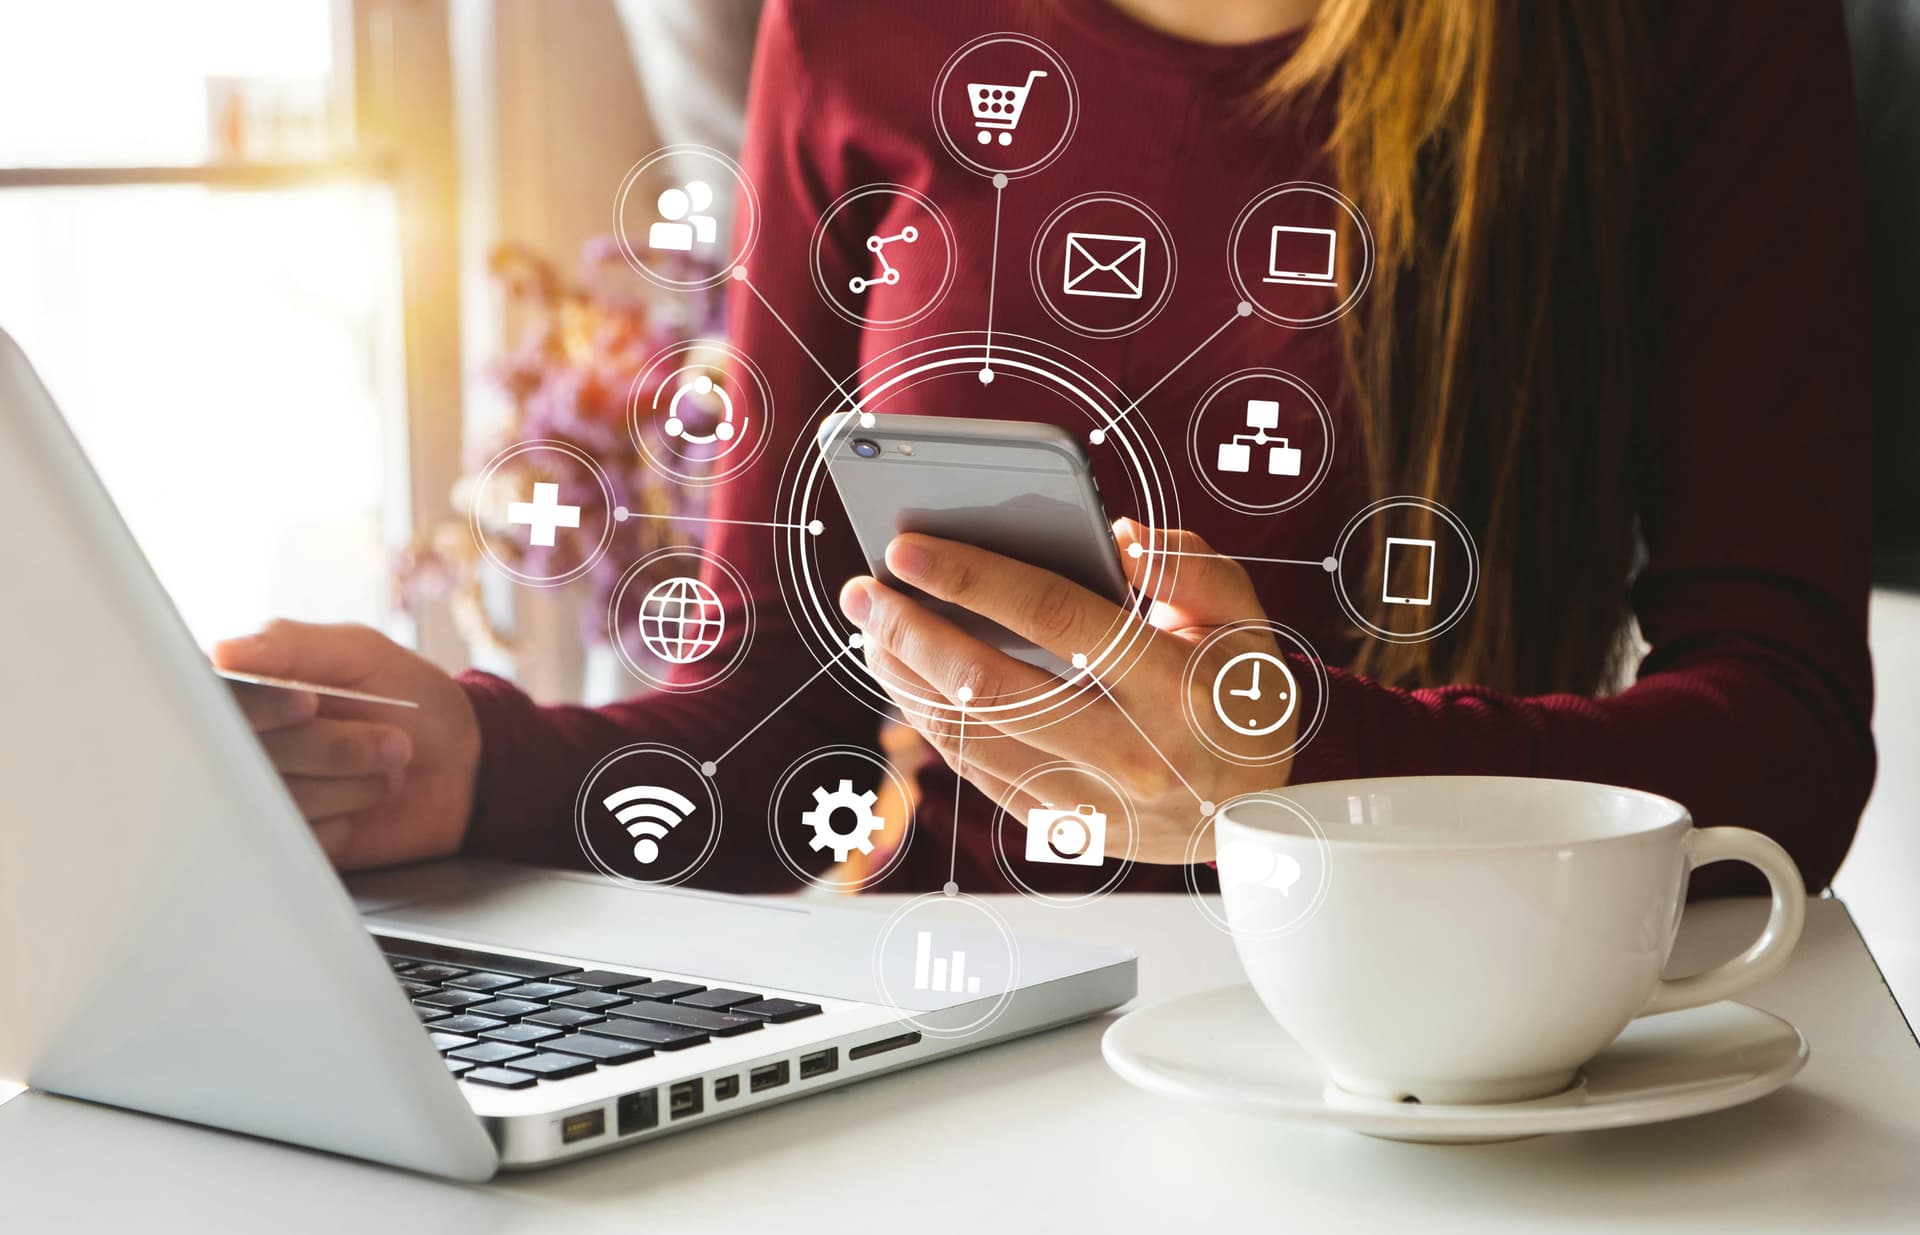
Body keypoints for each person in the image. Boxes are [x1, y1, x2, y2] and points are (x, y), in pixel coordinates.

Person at [215, 0, 1876, 899]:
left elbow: (1787, 741)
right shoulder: (854, 30)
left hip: (1449, 1057)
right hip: (957, 1060)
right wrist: (475, 763)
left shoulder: (1685, 34)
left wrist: (1305, 782)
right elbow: (773, 723)